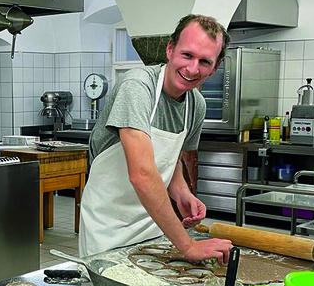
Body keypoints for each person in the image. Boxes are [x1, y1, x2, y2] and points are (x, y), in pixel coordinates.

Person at [79, 14, 233, 263]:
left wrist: (182, 194)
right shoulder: (138, 87)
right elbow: (142, 174)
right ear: (170, 49)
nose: (193, 69)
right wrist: (189, 246)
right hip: (108, 226)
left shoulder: (196, 105)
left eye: (204, 61)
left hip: (154, 225)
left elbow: (168, 163)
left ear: (215, 68)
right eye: (187, 55)